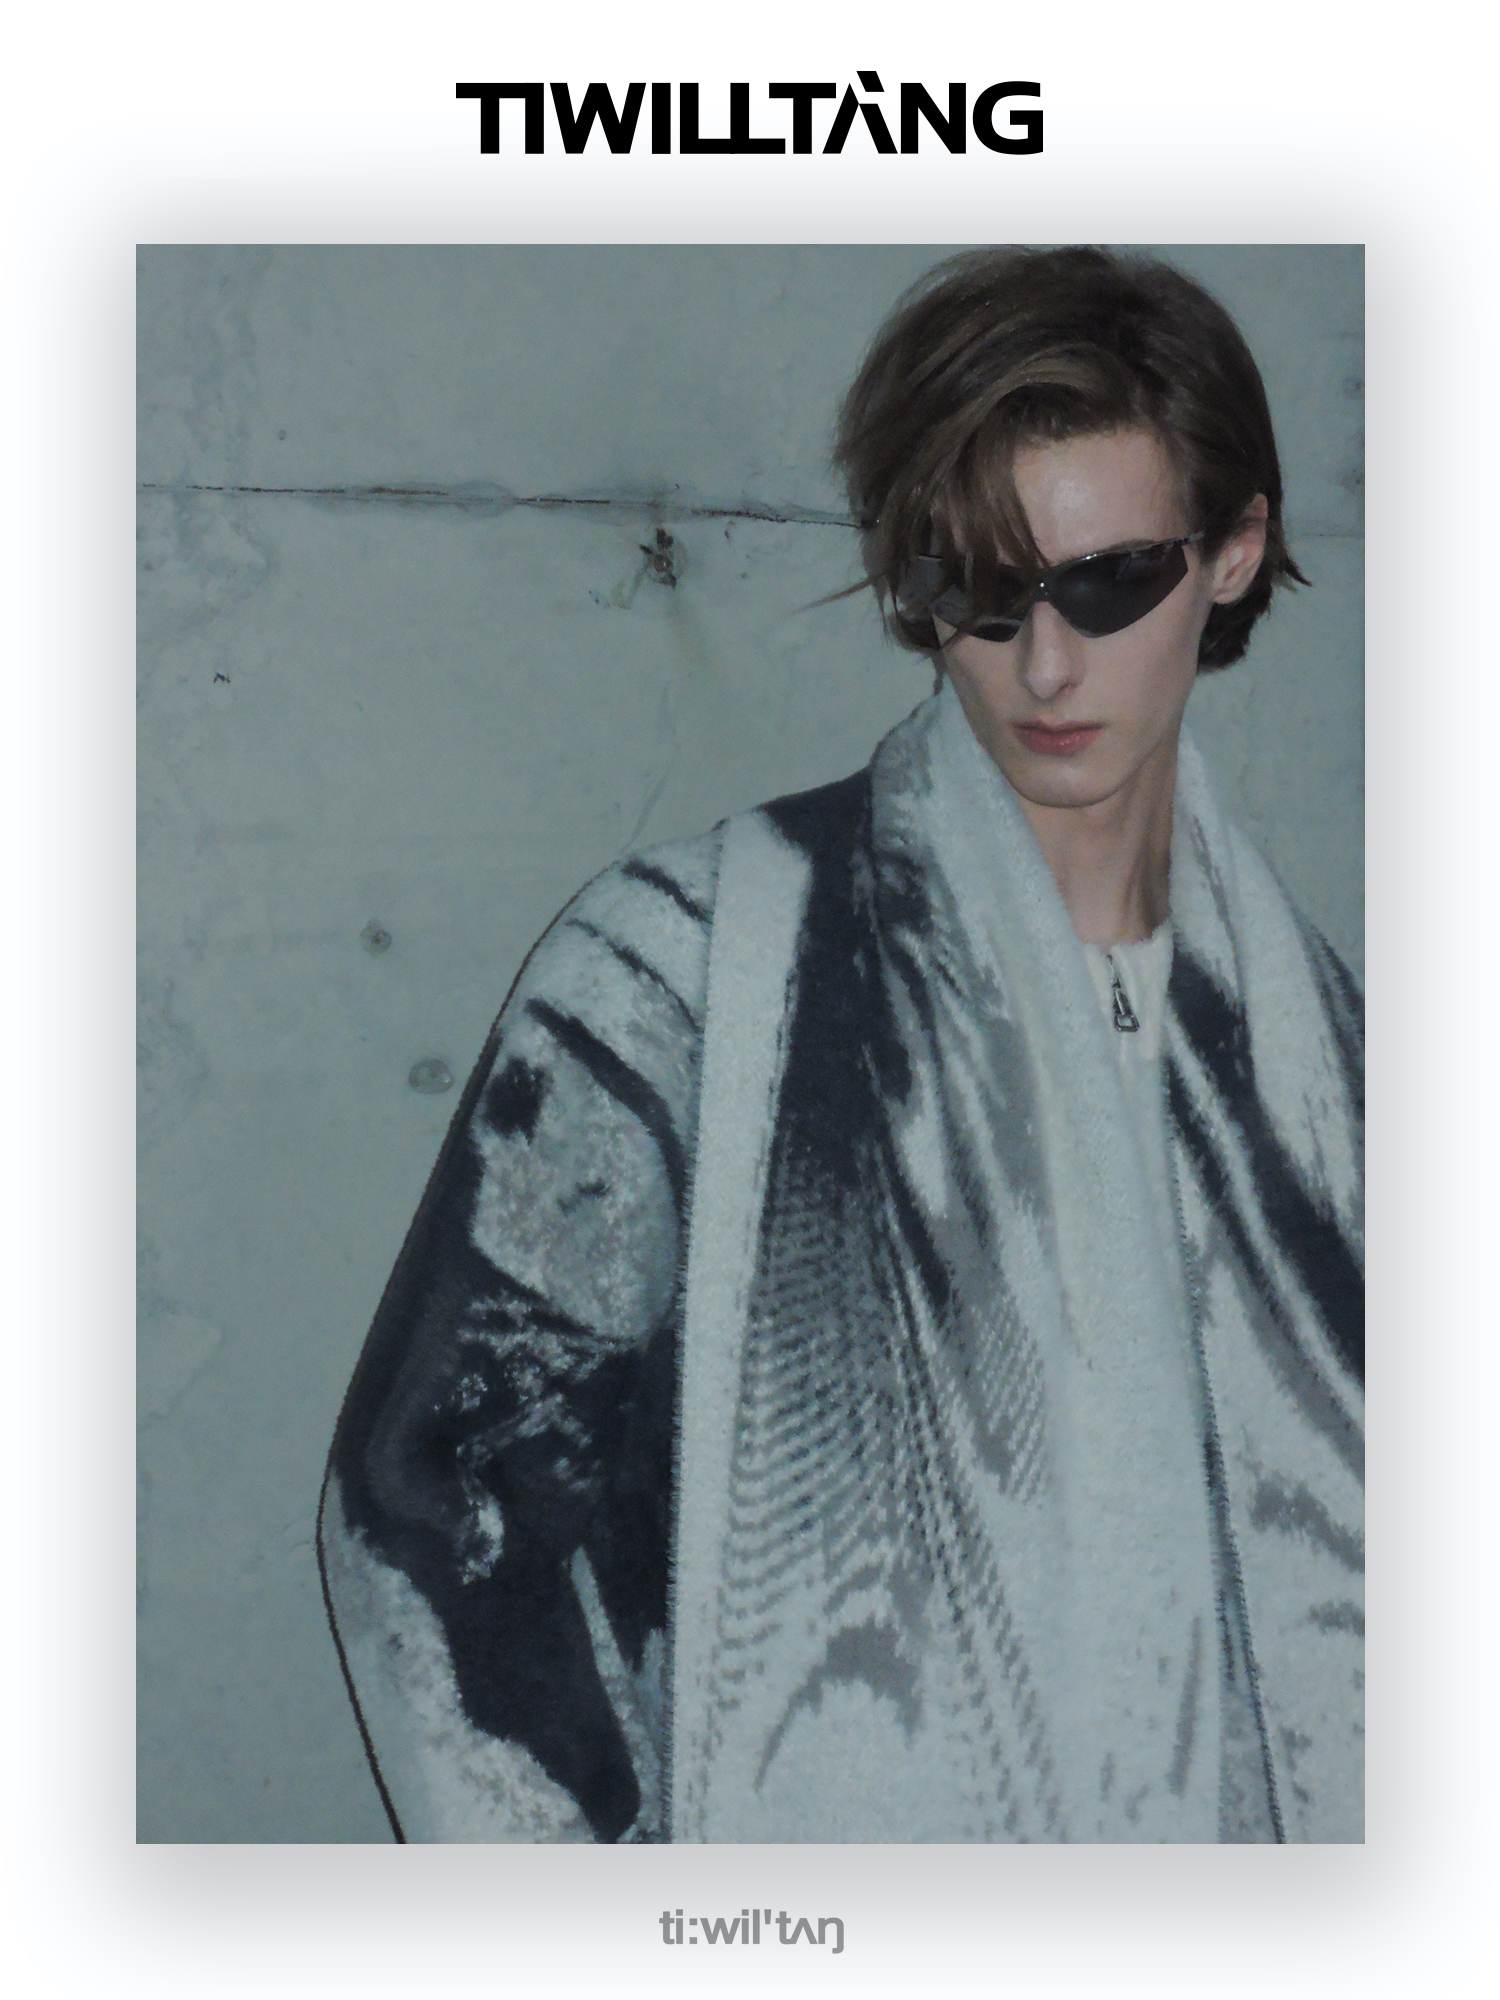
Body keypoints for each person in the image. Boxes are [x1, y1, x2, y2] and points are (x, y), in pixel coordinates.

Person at [317, 247, 1363, 1845]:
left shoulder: (1339, 1071)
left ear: (1233, 554)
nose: (1044, 664)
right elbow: (434, 1508)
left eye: (1107, 582)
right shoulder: (683, 971)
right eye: (978, 591)